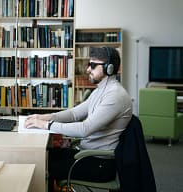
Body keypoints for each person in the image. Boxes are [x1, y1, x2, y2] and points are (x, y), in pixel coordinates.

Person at [25, 47, 132, 192]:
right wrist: (44, 117)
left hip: (100, 163)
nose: (88, 69)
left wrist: (46, 125)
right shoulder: (101, 90)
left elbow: (84, 129)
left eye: (93, 65)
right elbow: (75, 114)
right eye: (89, 64)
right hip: (87, 155)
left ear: (109, 68)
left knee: (41, 165)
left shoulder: (115, 96)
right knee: (44, 155)